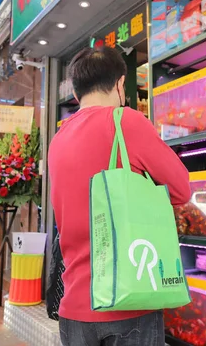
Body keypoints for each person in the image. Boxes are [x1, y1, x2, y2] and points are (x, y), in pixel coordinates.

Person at [48, 47, 191, 346]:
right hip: (129, 302)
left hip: (74, 307)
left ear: (76, 93)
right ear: (120, 84)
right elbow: (180, 188)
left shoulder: (58, 140)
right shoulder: (126, 121)